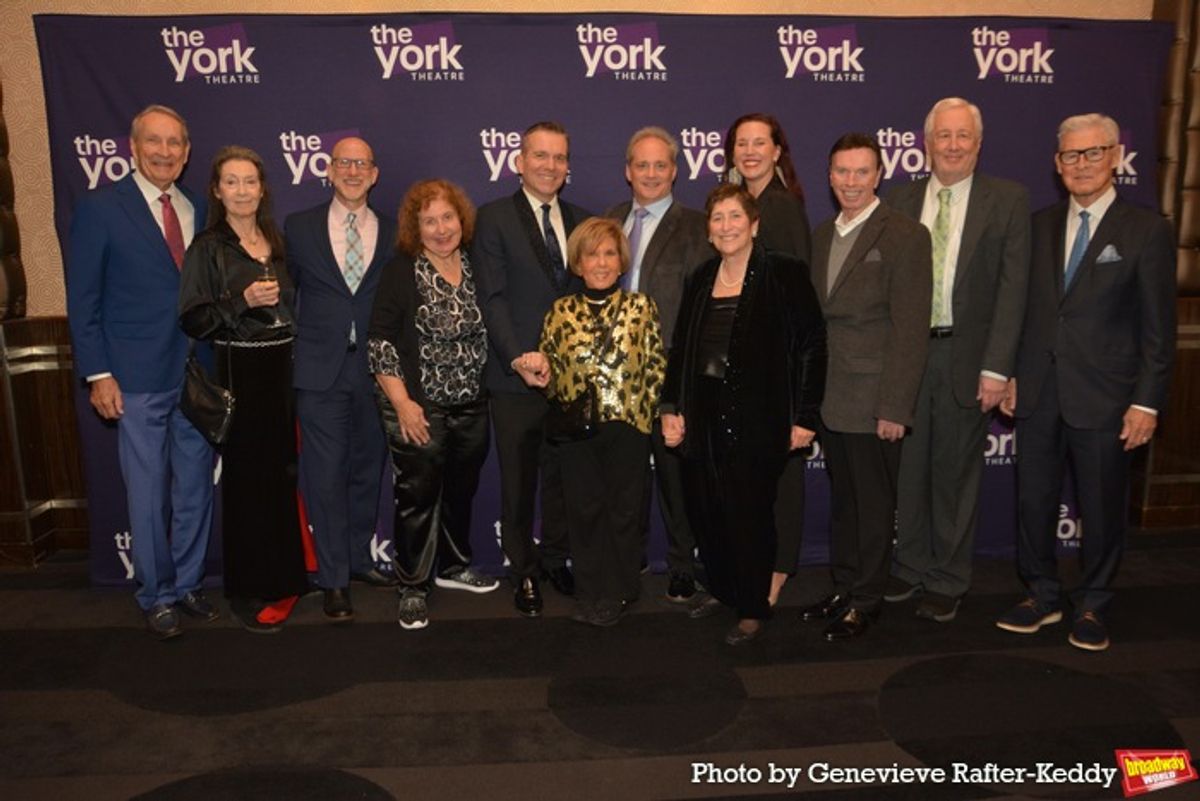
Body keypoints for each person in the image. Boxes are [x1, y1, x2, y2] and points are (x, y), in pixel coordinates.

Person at [997, 113, 1176, 652]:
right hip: (1037, 390)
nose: (1081, 165)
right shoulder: (1039, 225)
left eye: (1092, 153)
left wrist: (1146, 402)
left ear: (1116, 156)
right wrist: (1008, 373)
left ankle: (1094, 601)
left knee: (1101, 507)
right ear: (1057, 164)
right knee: (1033, 502)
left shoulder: (1147, 230)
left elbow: (1158, 331)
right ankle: (1042, 594)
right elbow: (1022, 310)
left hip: (1107, 396)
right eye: (1071, 156)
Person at [66, 104, 216, 640]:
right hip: (134, 377)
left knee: (195, 487)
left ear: (187, 152)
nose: (164, 152)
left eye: (175, 143)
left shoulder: (199, 206)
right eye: (154, 141)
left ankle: (189, 581)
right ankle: (155, 592)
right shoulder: (100, 209)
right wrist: (98, 373)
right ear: (133, 147)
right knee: (148, 492)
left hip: (197, 372)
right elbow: (83, 301)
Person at [885, 98, 1030, 623]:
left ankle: (947, 577)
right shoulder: (899, 200)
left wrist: (997, 367)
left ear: (978, 143)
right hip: (908, 355)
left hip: (967, 359)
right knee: (909, 472)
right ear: (926, 142)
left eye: (962, 136)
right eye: (942, 135)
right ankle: (910, 565)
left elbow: (1015, 290)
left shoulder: (1007, 200)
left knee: (954, 474)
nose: (951, 145)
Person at [662, 184, 826, 646]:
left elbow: (813, 344)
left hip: (761, 415)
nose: (726, 226)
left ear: (753, 224)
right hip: (704, 412)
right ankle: (724, 587)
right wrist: (671, 406)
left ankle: (753, 606)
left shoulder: (783, 272)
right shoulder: (700, 278)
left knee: (750, 511)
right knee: (708, 508)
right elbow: (682, 351)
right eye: (717, 219)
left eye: (735, 217)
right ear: (709, 231)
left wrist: (805, 415)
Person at [803, 133, 932, 642]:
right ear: (830, 176)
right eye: (841, 171)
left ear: (879, 175)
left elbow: (909, 328)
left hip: (877, 399)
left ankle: (867, 598)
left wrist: (895, 406)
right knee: (844, 503)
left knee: (875, 506)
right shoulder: (819, 236)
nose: (851, 182)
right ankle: (844, 586)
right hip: (832, 398)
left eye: (861, 172)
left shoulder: (905, 235)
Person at [179, 146, 308, 634]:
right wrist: (242, 300)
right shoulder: (207, 247)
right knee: (246, 484)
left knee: (281, 478)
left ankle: (284, 578)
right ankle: (248, 589)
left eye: (249, 181)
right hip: (240, 370)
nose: (241, 191)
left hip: (282, 369)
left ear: (262, 189)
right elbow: (193, 317)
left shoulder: (274, 240)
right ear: (216, 190)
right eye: (230, 182)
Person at [516, 217, 666, 626]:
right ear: (578, 263)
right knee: (583, 511)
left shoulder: (641, 307)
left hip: (628, 429)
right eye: (591, 254)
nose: (600, 262)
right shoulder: (561, 312)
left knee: (622, 512)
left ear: (621, 261)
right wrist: (538, 370)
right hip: (574, 430)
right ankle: (590, 590)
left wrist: (645, 415)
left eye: (609, 253)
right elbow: (548, 372)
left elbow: (656, 366)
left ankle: (619, 592)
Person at [472, 121, 593, 617]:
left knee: (564, 477)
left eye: (559, 157)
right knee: (519, 481)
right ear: (518, 161)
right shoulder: (493, 218)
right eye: (539, 155)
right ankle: (523, 572)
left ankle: (556, 558)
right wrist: (518, 356)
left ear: (568, 165)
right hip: (514, 376)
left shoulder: (583, 220)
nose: (549, 165)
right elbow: (492, 297)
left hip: (570, 380)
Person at [368, 179, 497, 631]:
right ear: (414, 228)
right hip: (418, 405)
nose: (441, 229)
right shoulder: (401, 270)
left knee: (461, 491)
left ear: (461, 220)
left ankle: (453, 566)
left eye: (448, 217)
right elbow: (381, 341)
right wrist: (402, 403)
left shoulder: (477, 263)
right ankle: (412, 586)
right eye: (430, 221)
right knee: (417, 498)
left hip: (472, 404)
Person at [285, 137, 398, 624]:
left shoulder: (395, 231)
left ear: (375, 175)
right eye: (344, 162)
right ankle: (333, 579)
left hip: (374, 371)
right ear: (329, 170)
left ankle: (356, 558)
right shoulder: (299, 227)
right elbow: (288, 298)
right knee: (325, 476)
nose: (353, 171)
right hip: (319, 371)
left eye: (363, 164)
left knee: (366, 470)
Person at [604, 126, 711, 603]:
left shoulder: (697, 226)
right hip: (613, 375)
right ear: (628, 171)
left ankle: (683, 564)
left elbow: (700, 307)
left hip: (670, 370)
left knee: (674, 474)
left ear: (675, 171)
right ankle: (628, 560)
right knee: (624, 476)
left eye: (660, 165)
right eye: (641, 165)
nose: (650, 173)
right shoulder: (608, 221)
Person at [722, 112, 813, 606]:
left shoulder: (779, 206)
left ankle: (777, 572)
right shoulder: (739, 206)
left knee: (782, 473)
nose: (751, 151)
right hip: (743, 366)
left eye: (761, 142)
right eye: (742, 143)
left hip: (776, 366)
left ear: (778, 151)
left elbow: (797, 299)